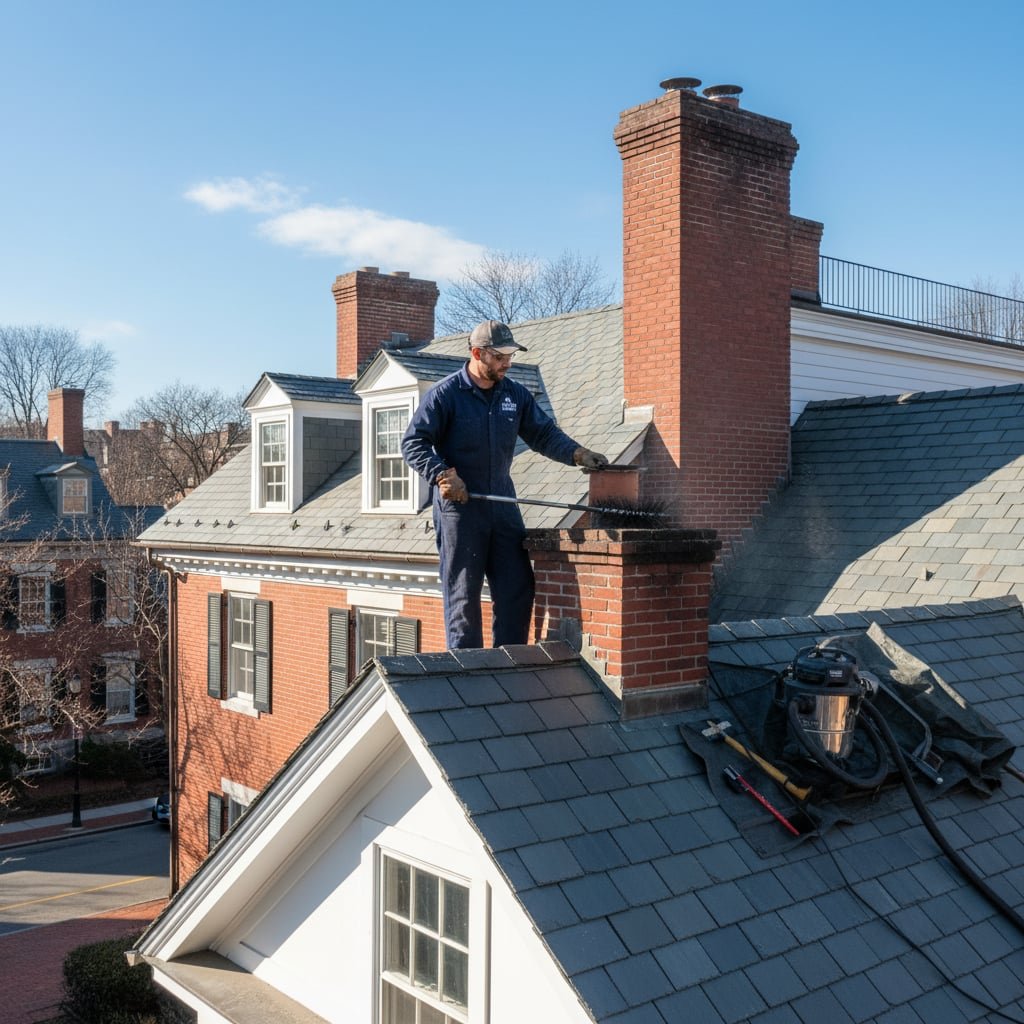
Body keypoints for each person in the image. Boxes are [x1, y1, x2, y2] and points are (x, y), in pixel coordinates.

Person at [401, 319, 608, 649]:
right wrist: (441, 474)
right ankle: (468, 670)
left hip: (502, 505)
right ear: (477, 353)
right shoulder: (445, 396)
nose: (507, 364)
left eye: (510, 356)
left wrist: (578, 454)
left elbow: (543, 434)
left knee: (517, 587)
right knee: (463, 595)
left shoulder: (515, 395)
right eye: (500, 357)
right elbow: (414, 443)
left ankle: (508, 661)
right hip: (461, 509)